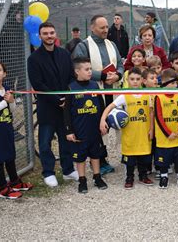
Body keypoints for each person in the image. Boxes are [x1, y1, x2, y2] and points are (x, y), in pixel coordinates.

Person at [27, 22, 78, 187]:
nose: (49, 36)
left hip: (65, 107)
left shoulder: (64, 54)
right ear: (40, 36)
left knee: (66, 140)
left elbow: (71, 77)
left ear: (55, 34)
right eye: (45, 33)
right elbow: (38, 83)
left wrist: (67, 99)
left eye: (51, 32)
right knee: (45, 142)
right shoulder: (34, 59)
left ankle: (68, 170)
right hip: (47, 107)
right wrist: (58, 99)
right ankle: (48, 172)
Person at [72, 14, 124, 175]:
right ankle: (99, 161)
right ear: (92, 28)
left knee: (111, 124)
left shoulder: (112, 44)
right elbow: (79, 68)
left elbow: (120, 64)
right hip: (94, 92)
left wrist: (118, 75)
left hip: (112, 91)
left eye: (107, 27)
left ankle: (111, 156)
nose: (105, 30)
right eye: (102, 27)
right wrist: (101, 76)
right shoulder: (83, 46)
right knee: (97, 127)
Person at [0, 61, 33, 199]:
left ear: (5, 73)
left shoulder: (6, 88)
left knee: (10, 156)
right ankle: (3, 188)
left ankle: (14, 181)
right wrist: (5, 102)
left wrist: (12, 101)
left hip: (6, 128)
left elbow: (12, 109)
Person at [100, 67, 154, 189]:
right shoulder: (124, 96)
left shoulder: (147, 95)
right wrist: (103, 120)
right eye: (132, 79)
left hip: (143, 133)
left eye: (137, 79)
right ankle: (129, 177)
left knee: (144, 157)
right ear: (127, 80)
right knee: (130, 159)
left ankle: (143, 176)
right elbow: (109, 107)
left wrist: (151, 129)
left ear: (142, 80)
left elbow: (151, 113)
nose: (135, 81)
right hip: (130, 134)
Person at [64, 57, 108, 193]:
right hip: (79, 131)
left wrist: (103, 123)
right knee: (80, 157)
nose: (90, 72)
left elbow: (102, 106)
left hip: (94, 129)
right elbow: (66, 112)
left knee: (95, 154)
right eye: (87, 69)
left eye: (90, 69)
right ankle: (82, 180)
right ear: (77, 71)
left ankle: (97, 177)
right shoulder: (71, 88)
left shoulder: (95, 86)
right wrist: (69, 130)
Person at [154, 69, 178, 189]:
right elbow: (158, 117)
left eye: (176, 83)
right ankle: (164, 175)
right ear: (164, 82)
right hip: (165, 136)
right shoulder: (158, 96)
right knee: (163, 159)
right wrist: (167, 133)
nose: (175, 86)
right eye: (173, 83)